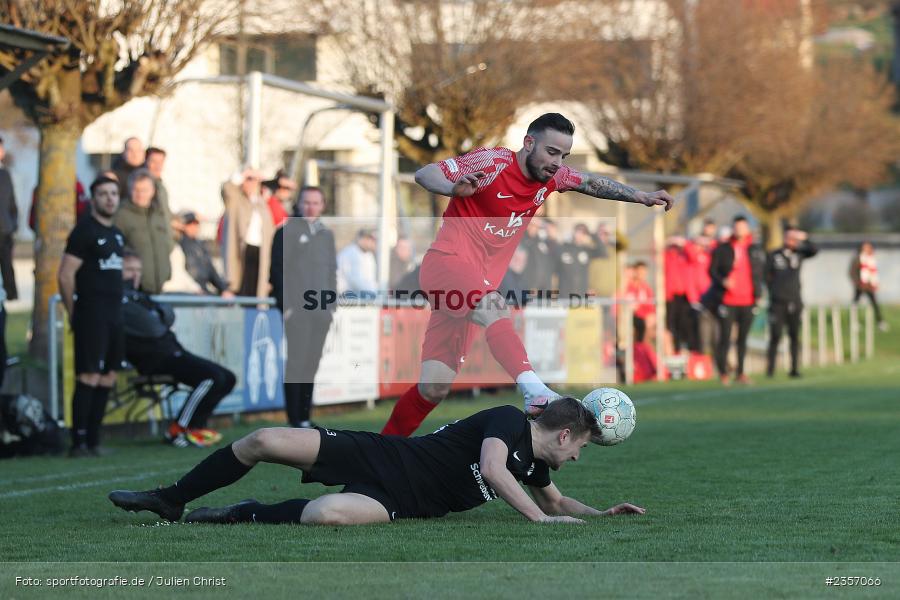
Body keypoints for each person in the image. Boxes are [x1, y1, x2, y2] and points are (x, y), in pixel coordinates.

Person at [380, 113, 673, 437]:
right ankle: (535, 390)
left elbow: (591, 183)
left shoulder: (552, 178)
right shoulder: (492, 162)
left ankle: (375, 457)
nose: (557, 162)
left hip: (476, 284)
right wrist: (453, 188)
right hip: (446, 265)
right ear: (528, 143)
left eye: (563, 155)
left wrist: (641, 197)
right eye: (551, 152)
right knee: (495, 307)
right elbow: (425, 173)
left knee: (432, 388)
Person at [108, 397, 645, 525]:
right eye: (580, 446)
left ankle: (238, 512)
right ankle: (170, 500)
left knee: (326, 516)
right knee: (264, 439)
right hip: (383, 454)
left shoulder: (539, 466)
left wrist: (599, 515)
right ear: (567, 431)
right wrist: (542, 520)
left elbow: (556, 499)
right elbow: (494, 468)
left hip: (399, 501)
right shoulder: (507, 422)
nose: (577, 456)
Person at [120, 250, 235, 447]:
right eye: (129, 270)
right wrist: (156, 315)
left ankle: (195, 427)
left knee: (228, 378)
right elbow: (154, 326)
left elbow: (168, 314)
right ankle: (178, 429)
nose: (135, 274)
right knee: (211, 378)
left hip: (173, 352)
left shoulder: (140, 296)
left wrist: (156, 315)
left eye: (138, 269)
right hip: (155, 359)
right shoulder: (120, 299)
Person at [57, 176, 127, 457]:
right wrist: (75, 312)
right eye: (103, 194)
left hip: (115, 315)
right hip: (91, 314)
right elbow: (64, 275)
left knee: (108, 376)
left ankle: (95, 440)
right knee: (88, 376)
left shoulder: (118, 234)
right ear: (93, 198)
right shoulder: (83, 231)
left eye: (113, 193)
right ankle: (79, 443)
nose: (110, 198)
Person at [270, 187, 337, 429]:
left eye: (315, 202)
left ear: (322, 205)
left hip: (320, 312)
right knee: (296, 365)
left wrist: (331, 307)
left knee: (312, 364)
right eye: (306, 202)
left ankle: (305, 418)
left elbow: (331, 272)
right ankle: (294, 419)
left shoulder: (326, 235)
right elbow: (277, 272)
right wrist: (287, 307)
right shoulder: (286, 232)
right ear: (298, 204)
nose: (310, 207)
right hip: (297, 312)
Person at [705, 216, 766, 386]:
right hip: (727, 300)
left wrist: (759, 293)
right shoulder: (723, 248)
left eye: (742, 227)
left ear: (747, 229)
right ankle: (723, 373)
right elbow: (711, 271)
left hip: (748, 300)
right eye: (736, 227)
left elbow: (760, 272)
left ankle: (741, 373)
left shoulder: (755, 249)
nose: (739, 231)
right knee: (724, 337)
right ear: (733, 229)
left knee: (742, 339)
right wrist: (723, 281)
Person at [765, 227, 817, 378]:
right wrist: (773, 291)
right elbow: (766, 275)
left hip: (795, 301)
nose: (792, 241)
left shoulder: (799, 254)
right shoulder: (774, 255)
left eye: (795, 238)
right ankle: (770, 370)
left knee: (794, 336)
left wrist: (805, 237)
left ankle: (794, 369)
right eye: (790, 237)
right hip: (777, 302)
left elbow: (814, 250)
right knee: (775, 336)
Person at [113, 168, 174, 294]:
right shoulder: (121, 215)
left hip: (160, 285)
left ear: (152, 191)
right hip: (134, 287)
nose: (140, 194)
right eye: (136, 190)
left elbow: (168, 241)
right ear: (130, 190)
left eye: (145, 190)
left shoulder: (159, 214)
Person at [222, 169, 275, 298]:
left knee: (257, 289)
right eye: (249, 180)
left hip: (260, 252)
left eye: (254, 181)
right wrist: (243, 174)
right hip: (243, 251)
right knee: (242, 286)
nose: (251, 184)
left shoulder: (262, 204)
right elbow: (227, 189)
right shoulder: (236, 200)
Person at [169, 211, 234, 297]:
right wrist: (195, 288)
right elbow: (181, 273)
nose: (194, 227)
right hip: (189, 292)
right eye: (190, 224)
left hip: (203, 290)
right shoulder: (178, 246)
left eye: (196, 224)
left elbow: (211, 270)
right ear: (183, 226)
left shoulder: (201, 246)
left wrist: (224, 289)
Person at [664, 236, 699, 353]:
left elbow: (694, 256)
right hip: (671, 296)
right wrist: (667, 243)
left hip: (685, 296)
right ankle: (674, 349)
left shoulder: (686, 256)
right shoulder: (668, 256)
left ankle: (687, 349)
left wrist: (685, 243)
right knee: (671, 324)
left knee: (685, 324)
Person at [556, 222, 607, 301]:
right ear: (574, 232)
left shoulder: (586, 250)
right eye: (578, 232)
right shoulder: (564, 248)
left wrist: (593, 235)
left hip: (581, 295)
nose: (580, 235)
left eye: (583, 233)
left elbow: (603, 253)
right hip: (564, 294)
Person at [850, 242, 888, 332]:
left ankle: (880, 322)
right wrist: (857, 283)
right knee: (855, 304)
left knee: (875, 304)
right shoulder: (858, 259)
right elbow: (852, 272)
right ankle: (854, 322)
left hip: (869, 287)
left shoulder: (872, 259)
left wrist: (875, 284)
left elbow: (874, 273)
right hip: (860, 286)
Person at [520, 216, 558, 298]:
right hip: (529, 288)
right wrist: (532, 285)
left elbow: (555, 258)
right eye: (531, 225)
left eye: (536, 226)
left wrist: (553, 238)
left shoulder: (543, 243)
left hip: (545, 288)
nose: (533, 228)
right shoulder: (522, 242)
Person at [0, 138, 18, 301]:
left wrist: (13, 224)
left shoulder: (5, 174)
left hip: (5, 229)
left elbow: (12, 202)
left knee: (7, 266)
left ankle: (10, 294)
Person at [337, 228, 378, 298]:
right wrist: (375, 291)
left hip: (361, 292)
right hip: (345, 293)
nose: (371, 242)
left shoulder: (369, 255)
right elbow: (355, 281)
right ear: (361, 239)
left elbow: (371, 279)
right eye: (368, 239)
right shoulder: (349, 253)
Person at [144, 147, 172, 216]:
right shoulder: (142, 186)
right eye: (153, 161)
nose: (157, 166)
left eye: (160, 162)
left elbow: (165, 212)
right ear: (146, 161)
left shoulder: (160, 185)